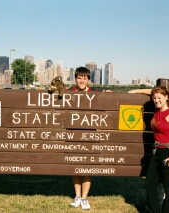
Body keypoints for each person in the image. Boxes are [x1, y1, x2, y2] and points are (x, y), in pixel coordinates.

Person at [130, 87, 169, 213]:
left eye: (160, 98)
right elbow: (152, 92)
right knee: (149, 184)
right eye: (154, 98)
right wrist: (135, 91)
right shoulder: (157, 111)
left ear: (167, 97)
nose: (156, 100)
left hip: (168, 152)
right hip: (156, 152)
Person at [68, 67, 112, 210]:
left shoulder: (95, 94)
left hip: (89, 135)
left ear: (88, 80)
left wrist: (108, 94)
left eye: (84, 78)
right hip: (73, 134)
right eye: (79, 78)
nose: (82, 80)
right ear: (75, 79)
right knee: (75, 167)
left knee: (87, 167)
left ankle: (84, 198)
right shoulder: (69, 92)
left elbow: (106, 102)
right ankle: (77, 196)